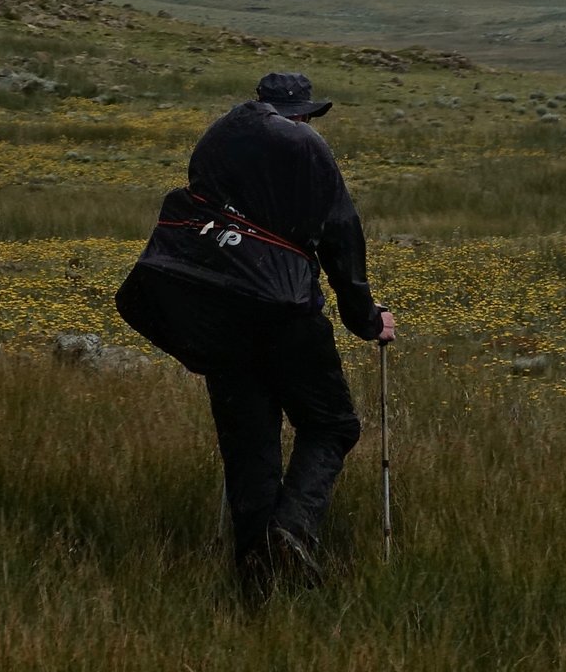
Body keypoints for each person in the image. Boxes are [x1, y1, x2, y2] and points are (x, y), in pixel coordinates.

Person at [116, 71, 396, 597]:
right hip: (284, 311)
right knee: (331, 425)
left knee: (249, 445)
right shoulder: (305, 145)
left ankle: (257, 585)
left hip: (214, 308)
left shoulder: (217, 137)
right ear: (305, 113)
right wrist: (366, 318)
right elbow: (340, 235)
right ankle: (291, 532)